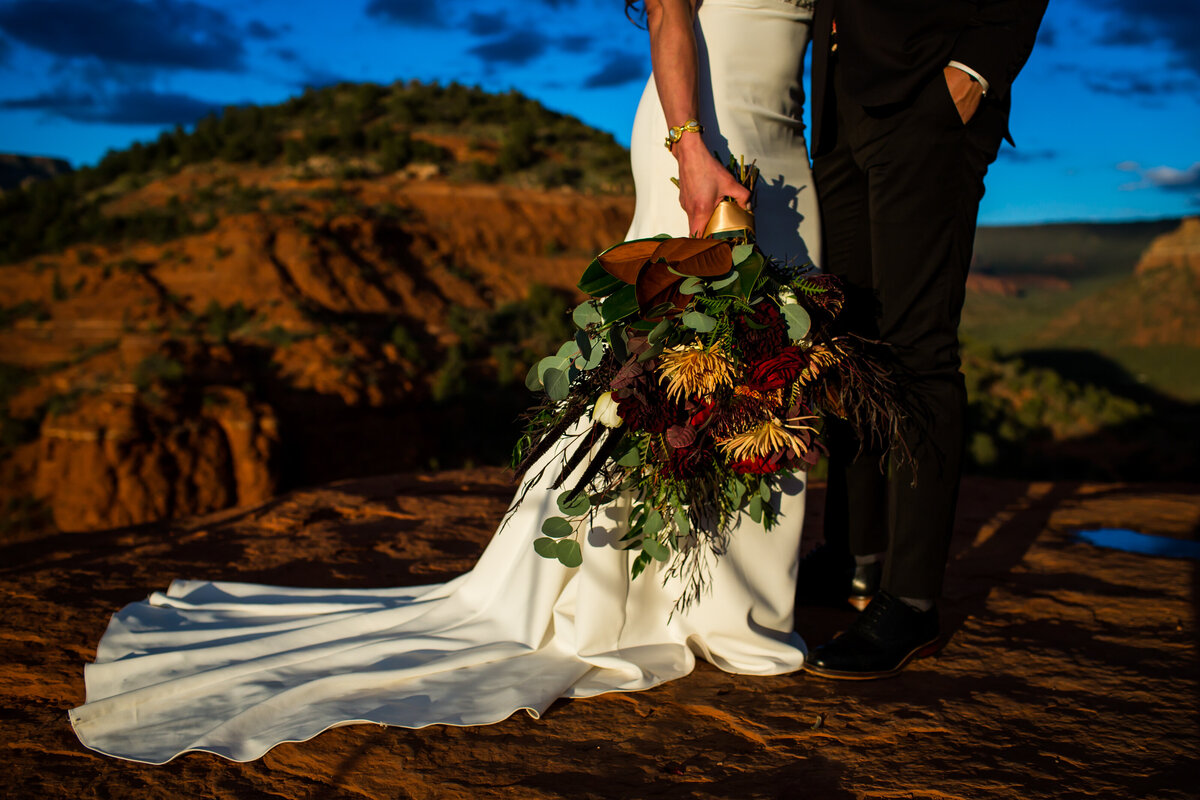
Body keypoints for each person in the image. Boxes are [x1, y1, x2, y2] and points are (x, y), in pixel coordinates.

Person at [67, 0, 823, 764]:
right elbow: (667, 11)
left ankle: (725, 600)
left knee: (766, 360)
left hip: (784, 144)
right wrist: (688, 147)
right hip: (700, 134)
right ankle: (656, 598)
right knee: (673, 361)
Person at [799, 0, 1048, 680]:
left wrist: (975, 69)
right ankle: (854, 555)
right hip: (840, 106)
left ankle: (910, 603)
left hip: (927, 94)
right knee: (849, 341)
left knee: (918, 347)